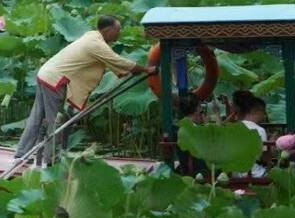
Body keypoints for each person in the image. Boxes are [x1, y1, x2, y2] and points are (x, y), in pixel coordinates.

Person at [14, 16, 154, 166]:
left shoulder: (92, 37)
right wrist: (146, 69)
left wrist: (131, 70)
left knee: (39, 117)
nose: (119, 34)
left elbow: (113, 63)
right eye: (117, 30)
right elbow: (118, 61)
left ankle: (22, 154)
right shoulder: (95, 44)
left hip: (46, 74)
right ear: (107, 30)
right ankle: (52, 162)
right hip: (54, 80)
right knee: (55, 122)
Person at [175, 92, 209, 176]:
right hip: (199, 169)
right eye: (200, 106)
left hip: (185, 167)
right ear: (197, 109)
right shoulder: (193, 129)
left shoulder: (179, 127)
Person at [238, 96, 270, 178]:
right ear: (255, 111)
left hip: (235, 174)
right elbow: (263, 158)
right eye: (264, 112)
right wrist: (272, 148)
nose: (265, 116)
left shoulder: (234, 127)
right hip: (255, 174)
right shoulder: (259, 130)